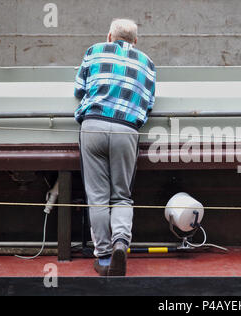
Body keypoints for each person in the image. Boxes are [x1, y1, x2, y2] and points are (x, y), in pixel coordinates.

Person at [74, 18, 156, 276]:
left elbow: (79, 89)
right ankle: (121, 241)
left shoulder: (94, 51)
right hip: (126, 129)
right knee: (122, 195)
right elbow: (149, 102)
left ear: (109, 36)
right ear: (136, 41)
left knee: (97, 197)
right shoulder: (148, 63)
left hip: (94, 125)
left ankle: (105, 258)